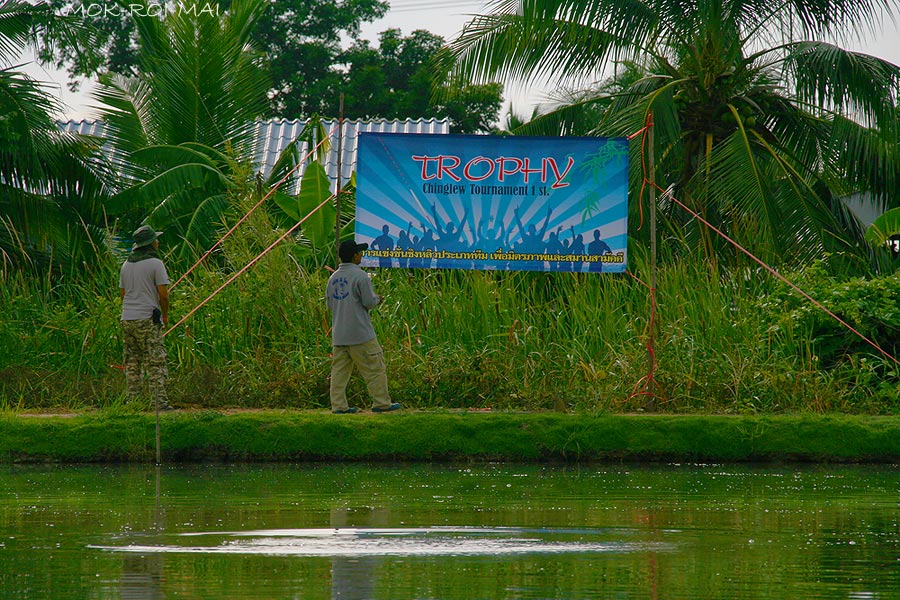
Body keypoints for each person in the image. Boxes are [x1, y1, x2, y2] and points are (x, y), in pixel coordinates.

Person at [326, 240, 401, 414]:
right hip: (360, 333)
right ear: (354, 256)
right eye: (359, 253)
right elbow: (368, 302)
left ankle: (338, 406)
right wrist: (378, 300)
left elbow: (330, 305)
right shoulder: (361, 276)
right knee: (375, 367)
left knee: (339, 372)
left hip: (339, 334)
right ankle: (381, 403)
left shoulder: (333, 278)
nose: (362, 255)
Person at [119, 225, 173, 410]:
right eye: (156, 240)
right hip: (147, 318)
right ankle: (159, 404)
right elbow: (163, 295)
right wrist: (164, 315)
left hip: (127, 318)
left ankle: (132, 403)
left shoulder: (126, 265)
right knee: (155, 361)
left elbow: (123, 294)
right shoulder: (156, 264)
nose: (158, 242)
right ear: (151, 244)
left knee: (133, 362)